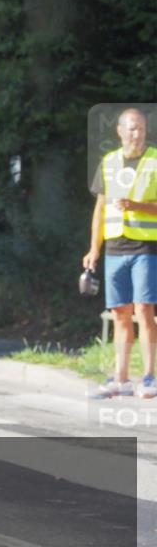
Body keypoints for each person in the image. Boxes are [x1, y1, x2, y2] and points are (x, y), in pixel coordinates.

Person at [83, 107, 157, 399]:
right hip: (115, 246)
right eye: (130, 128)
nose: (136, 133)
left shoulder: (154, 161)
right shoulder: (108, 162)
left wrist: (138, 207)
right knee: (120, 313)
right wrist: (93, 249)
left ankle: (150, 377)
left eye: (140, 128)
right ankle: (121, 378)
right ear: (119, 130)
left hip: (146, 246)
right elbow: (100, 208)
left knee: (144, 310)